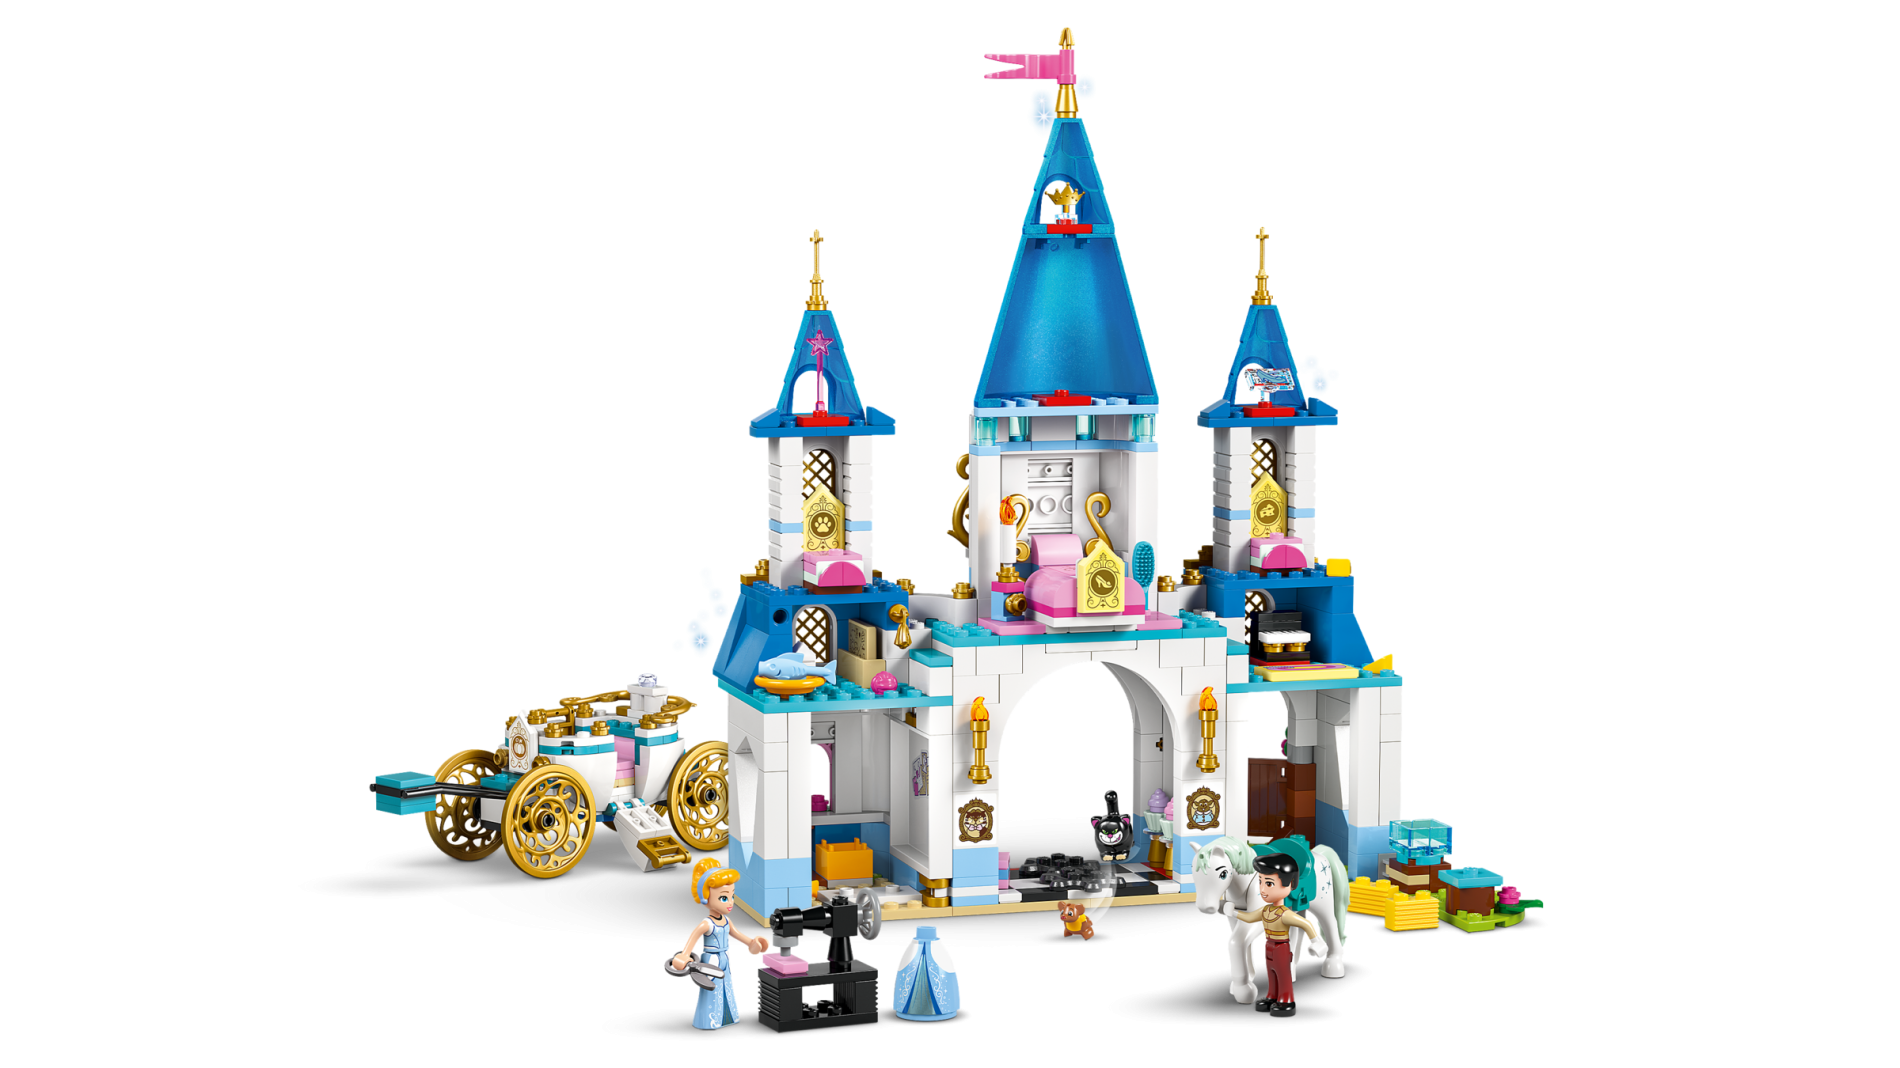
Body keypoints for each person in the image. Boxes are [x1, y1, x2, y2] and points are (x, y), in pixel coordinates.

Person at [672, 857, 770, 1029]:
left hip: (726, 958)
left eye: (732, 896)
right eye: (724, 898)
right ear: (706, 897)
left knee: (727, 986)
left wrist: (752, 943)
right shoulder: (706, 923)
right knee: (710, 988)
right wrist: (684, 955)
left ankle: (729, 1018)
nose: (730, 903)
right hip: (711, 961)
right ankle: (710, 1022)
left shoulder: (726, 921)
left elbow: (738, 935)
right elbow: (692, 939)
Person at [1234, 853, 1326, 1016]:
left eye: (1269, 883)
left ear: (1289, 884)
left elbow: (1306, 923)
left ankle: (1286, 999)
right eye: (1260, 881)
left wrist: (1315, 941)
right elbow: (1249, 917)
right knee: (1270, 972)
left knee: (1283, 974)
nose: (1262, 889)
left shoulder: (1285, 914)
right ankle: (1272, 995)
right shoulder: (1265, 910)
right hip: (1268, 946)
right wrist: (1234, 913)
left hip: (1281, 948)